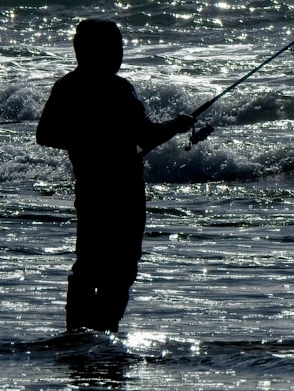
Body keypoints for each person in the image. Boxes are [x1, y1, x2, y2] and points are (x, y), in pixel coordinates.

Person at [37, 18, 194, 333]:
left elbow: (45, 134)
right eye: (117, 47)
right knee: (121, 269)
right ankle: (103, 331)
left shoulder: (66, 86)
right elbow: (147, 136)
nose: (120, 53)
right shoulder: (119, 89)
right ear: (101, 51)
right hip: (124, 191)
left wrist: (84, 141)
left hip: (90, 187)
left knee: (88, 264)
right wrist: (176, 125)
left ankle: (77, 333)